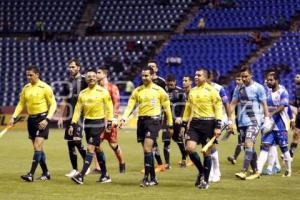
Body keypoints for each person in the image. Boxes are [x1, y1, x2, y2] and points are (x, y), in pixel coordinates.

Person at [120, 66, 173, 187]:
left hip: (154, 121)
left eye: (146, 75)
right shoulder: (137, 90)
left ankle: (145, 178)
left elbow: (167, 109)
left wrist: (170, 124)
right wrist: (124, 118)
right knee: (147, 151)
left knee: (147, 148)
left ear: (152, 75)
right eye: (143, 75)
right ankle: (153, 178)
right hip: (141, 122)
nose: (144, 77)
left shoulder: (159, 91)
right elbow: (130, 106)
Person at [10, 65, 57, 182]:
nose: (28, 77)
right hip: (31, 120)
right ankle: (46, 173)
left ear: (37, 75)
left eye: (31, 75)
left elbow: (53, 104)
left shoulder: (45, 87)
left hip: (42, 119)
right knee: (38, 148)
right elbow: (21, 104)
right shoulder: (26, 88)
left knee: (37, 146)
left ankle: (30, 174)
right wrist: (13, 116)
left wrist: (47, 119)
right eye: (27, 75)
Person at [180, 68, 223, 189]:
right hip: (194, 124)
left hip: (209, 123)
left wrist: (218, 126)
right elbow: (188, 109)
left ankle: (205, 181)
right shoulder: (192, 91)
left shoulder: (212, 91)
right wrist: (184, 124)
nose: (196, 77)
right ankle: (202, 171)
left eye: (199, 75)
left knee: (206, 152)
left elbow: (219, 108)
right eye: (195, 75)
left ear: (205, 77)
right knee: (189, 148)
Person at [69, 68, 113, 185]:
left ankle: (81, 175)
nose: (91, 78)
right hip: (87, 123)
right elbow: (77, 110)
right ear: (86, 79)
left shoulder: (103, 91)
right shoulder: (83, 93)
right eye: (89, 76)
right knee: (97, 148)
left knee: (90, 148)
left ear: (96, 78)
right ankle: (105, 175)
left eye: (94, 76)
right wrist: (73, 124)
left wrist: (109, 122)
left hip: (98, 122)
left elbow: (109, 107)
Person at [246, 72, 292, 179]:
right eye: (267, 80)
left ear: (276, 80)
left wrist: (271, 113)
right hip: (268, 125)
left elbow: (283, 105)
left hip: (280, 125)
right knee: (265, 146)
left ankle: (288, 170)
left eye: (271, 80)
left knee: (284, 148)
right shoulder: (267, 92)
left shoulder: (283, 92)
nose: (268, 82)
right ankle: (258, 170)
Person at [229, 66, 269, 180]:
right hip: (242, 122)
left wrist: (266, 119)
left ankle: (244, 171)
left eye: (246, 76)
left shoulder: (259, 88)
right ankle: (256, 171)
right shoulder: (238, 88)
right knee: (248, 146)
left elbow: (264, 104)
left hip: (254, 121)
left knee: (248, 143)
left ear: (251, 75)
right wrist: (229, 120)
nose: (244, 79)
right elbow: (232, 104)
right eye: (242, 77)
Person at [57, 58, 89, 178]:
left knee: (76, 140)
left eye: (73, 67)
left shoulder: (86, 80)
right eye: (70, 67)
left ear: (78, 67)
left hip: (81, 115)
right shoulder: (67, 82)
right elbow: (64, 100)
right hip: (69, 115)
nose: (71, 69)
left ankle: (87, 165)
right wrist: (60, 116)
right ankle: (75, 169)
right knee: (70, 143)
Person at [93, 68, 125, 173]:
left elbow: (116, 103)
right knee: (94, 144)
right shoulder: (95, 88)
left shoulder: (112, 87)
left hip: (110, 120)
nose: (96, 74)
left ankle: (122, 163)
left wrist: (113, 119)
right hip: (98, 120)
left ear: (105, 74)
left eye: (99, 72)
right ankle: (98, 168)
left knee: (113, 145)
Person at [208, 70, 231, 183]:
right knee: (207, 146)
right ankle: (212, 171)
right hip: (205, 120)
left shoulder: (219, 88)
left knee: (211, 145)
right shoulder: (198, 89)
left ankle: (216, 171)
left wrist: (230, 120)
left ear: (210, 77)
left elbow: (226, 104)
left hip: (218, 120)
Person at [162, 74, 187, 169]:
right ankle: (167, 164)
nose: (170, 85)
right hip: (166, 120)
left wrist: (180, 117)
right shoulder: (163, 91)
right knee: (166, 141)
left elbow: (184, 106)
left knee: (178, 140)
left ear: (175, 82)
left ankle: (184, 158)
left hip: (177, 120)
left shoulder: (180, 91)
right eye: (168, 84)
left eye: (172, 83)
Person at [147, 60, 166, 172]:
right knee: (148, 140)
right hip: (145, 115)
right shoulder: (143, 81)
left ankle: (159, 164)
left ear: (157, 69)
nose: (151, 68)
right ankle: (153, 163)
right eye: (149, 66)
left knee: (152, 139)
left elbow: (166, 98)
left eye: (153, 66)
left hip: (157, 115)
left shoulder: (161, 82)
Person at [227, 73, 243, 164]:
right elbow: (232, 104)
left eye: (239, 79)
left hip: (250, 119)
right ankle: (234, 157)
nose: (237, 81)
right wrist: (230, 120)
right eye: (236, 79)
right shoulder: (236, 89)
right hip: (239, 119)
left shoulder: (251, 89)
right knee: (241, 140)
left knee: (246, 141)